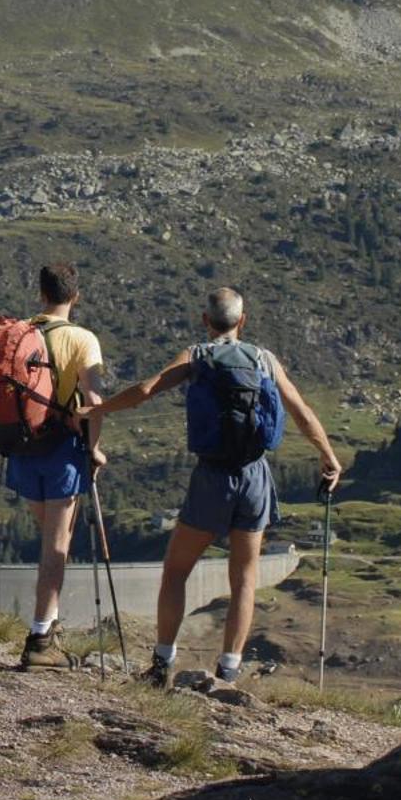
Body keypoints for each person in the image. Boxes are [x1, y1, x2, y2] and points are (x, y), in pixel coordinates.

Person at [88, 286, 341, 687]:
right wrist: (328, 456)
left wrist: (97, 408)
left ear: (205, 320)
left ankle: (162, 663)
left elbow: (144, 391)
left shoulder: (196, 355)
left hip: (212, 476)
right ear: (243, 320)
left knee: (176, 571)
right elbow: (302, 412)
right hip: (255, 476)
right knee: (243, 578)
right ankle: (229, 670)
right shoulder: (265, 359)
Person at [7, 261, 108, 670]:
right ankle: (40, 641)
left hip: (21, 446)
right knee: (57, 546)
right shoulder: (83, 339)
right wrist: (94, 447)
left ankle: (47, 624)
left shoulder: (17, 334)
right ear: (75, 296)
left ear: (41, 294)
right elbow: (94, 403)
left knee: (49, 538)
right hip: (63, 450)